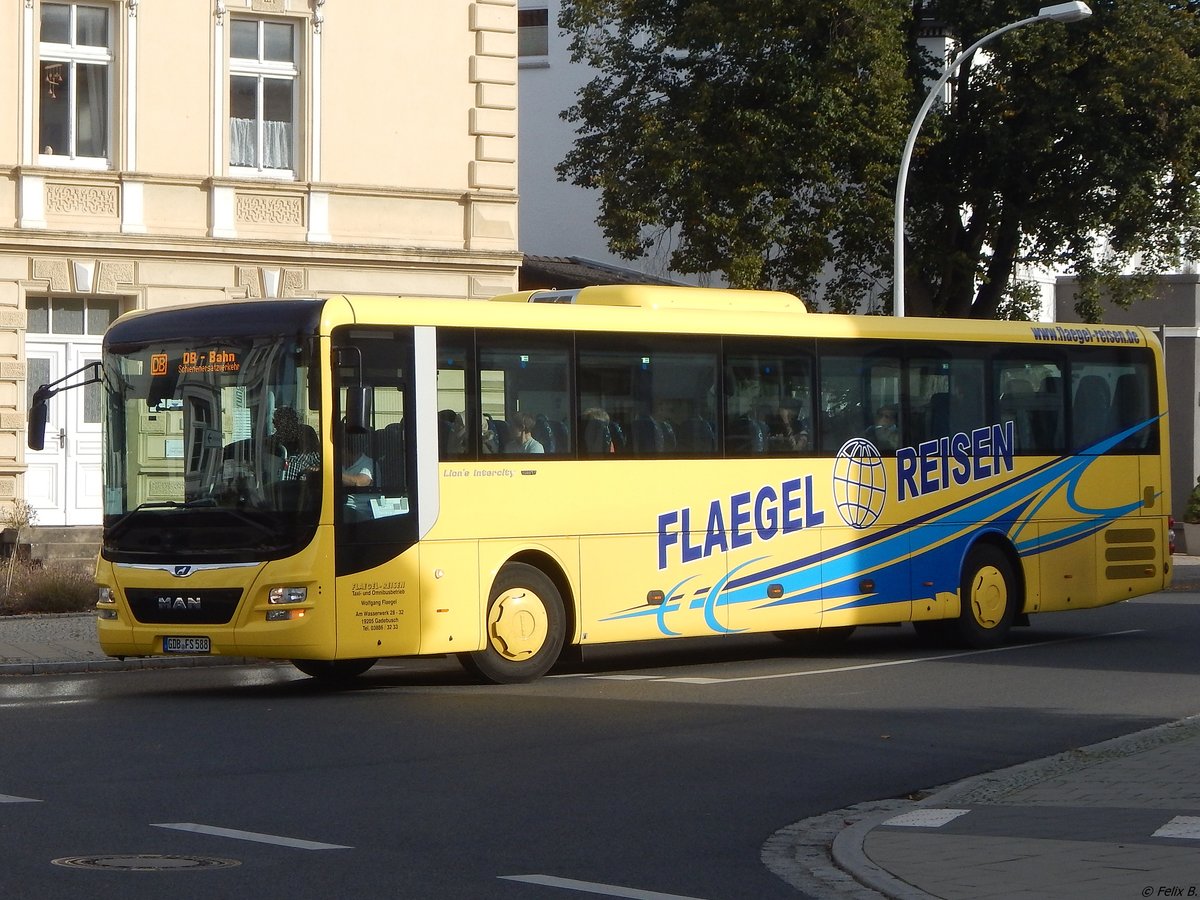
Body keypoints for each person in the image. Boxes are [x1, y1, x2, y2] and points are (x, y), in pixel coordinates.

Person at [271, 407, 320, 480]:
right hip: (276, 485)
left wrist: (315, 469)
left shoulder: (306, 435)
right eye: (274, 422)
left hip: (299, 485)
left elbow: (325, 465)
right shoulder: (273, 441)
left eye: (277, 422)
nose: (275, 426)